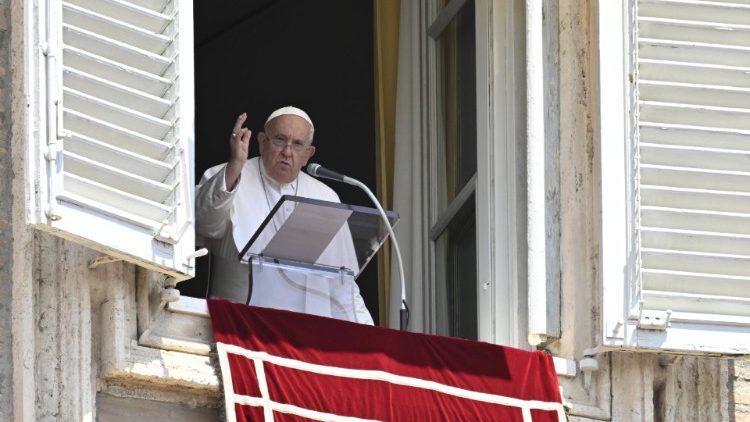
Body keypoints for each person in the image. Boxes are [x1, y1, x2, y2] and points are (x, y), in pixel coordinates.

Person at [195, 106, 374, 325]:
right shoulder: (225, 175)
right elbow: (204, 224)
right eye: (279, 140)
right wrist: (235, 166)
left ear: (308, 154)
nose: (287, 152)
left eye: (297, 144)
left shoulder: (326, 196)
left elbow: (341, 277)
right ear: (261, 142)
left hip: (304, 330)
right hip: (238, 322)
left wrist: (367, 328)